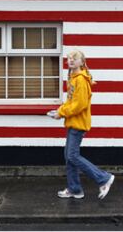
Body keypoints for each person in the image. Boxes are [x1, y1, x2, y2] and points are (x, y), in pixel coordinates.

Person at [50, 49, 114, 200]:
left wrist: (62, 113)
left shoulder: (80, 79)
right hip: (73, 122)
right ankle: (75, 189)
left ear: (82, 62)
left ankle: (103, 178)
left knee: (72, 155)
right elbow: (71, 102)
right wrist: (59, 111)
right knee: (69, 156)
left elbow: (80, 104)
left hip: (78, 123)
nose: (71, 60)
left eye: (75, 58)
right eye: (69, 58)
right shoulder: (73, 78)